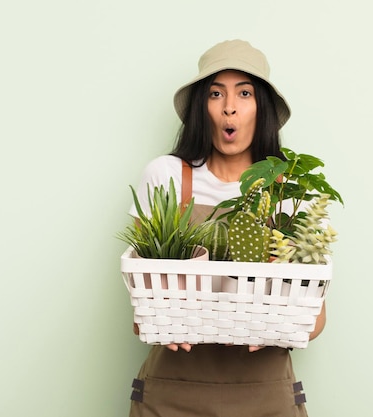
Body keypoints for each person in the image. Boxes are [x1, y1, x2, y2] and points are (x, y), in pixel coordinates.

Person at [127, 39, 326, 417]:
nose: (229, 106)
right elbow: (141, 317)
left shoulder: (292, 191)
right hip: (172, 390)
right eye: (216, 93)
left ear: (261, 107)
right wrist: (163, 323)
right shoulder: (165, 176)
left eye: (244, 93)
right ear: (203, 106)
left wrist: (270, 325)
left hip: (266, 393)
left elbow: (315, 321)